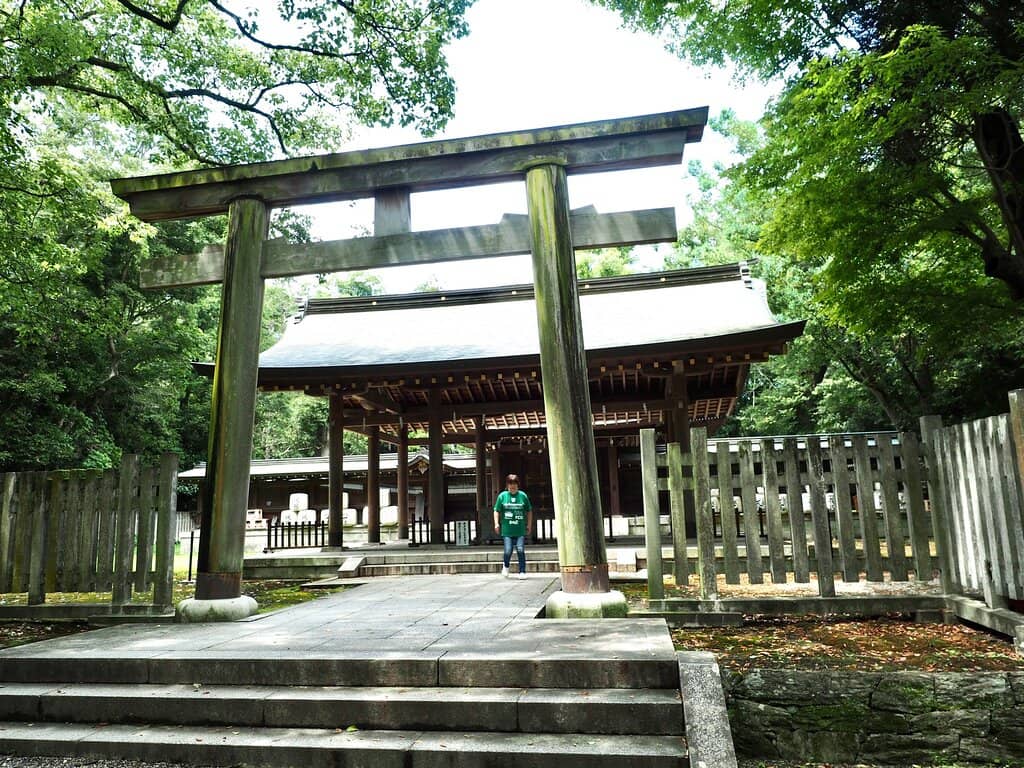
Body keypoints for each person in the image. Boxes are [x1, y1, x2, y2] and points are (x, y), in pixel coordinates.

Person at [493, 473, 532, 579]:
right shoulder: (502, 496)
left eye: (514, 485)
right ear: (507, 485)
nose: (512, 487)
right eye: (510, 485)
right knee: (508, 550)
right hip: (507, 530)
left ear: (517, 485)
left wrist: (529, 525)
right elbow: (496, 510)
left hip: (520, 529)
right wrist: (496, 523)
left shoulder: (523, 496)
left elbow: (529, 511)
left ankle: (522, 571)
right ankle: (505, 566)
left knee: (520, 549)